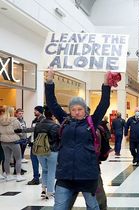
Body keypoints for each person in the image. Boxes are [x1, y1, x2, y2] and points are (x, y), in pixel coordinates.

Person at [45, 69, 114, 210]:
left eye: (80, 109)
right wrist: (49, 82)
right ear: (70, 110)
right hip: (65, 175)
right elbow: (52, 103)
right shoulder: (65, 120)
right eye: (73, 109)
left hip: (87, 175)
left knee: (93, 206)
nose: (76, 112)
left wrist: (106, 84)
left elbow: (103, 104)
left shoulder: (92, 122)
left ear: (85, 110)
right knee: (59, 207)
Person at [15, 106, 46, 185]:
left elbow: (33, 129)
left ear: (40, 111)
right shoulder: (35, 120)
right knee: (34, 161)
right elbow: (33, 133)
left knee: (42, 163)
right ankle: (36, 177)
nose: (34, 112)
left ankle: (43, 177)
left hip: (39, 144)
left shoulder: (43, 120)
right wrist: (29, 140)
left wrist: (22, 130)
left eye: (35, 111)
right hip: (33, 143)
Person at [34, 107, 60, 199]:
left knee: (45, 170)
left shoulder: (38, 125)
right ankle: (50, 192)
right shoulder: (55, 126)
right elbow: (58, 140)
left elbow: (35, 138)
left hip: (40, 151)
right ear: (53, 116)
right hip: (52, 151)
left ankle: (43, 189)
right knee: (52, 172)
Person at [0, 106, 26, 182]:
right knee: (18, 158)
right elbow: (19, 131)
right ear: (12, 112)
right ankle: (18, 175)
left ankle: (8, 175)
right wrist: (21, 136)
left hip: (3, 142)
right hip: (14, 141)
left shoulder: (1, 120)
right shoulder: (15, 120)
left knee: (7, 158)